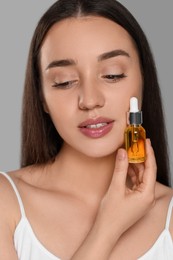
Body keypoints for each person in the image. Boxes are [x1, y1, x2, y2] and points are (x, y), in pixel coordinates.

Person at [0, 0, 172, 259]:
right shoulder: (6, 204)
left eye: (112, 75)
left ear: (143, 80)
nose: (90, 100)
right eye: (64, 82)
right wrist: (107, 227)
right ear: (42, 98)